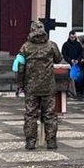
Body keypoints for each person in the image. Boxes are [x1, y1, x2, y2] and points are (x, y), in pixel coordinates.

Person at [17, 21, 62, 150]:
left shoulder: (25, 47)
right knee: (50, 115)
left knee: (30, 115)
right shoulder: (51, 46)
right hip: (48, 86)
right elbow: (58, 59)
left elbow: (20, 68)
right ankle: (51, 141)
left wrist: (20, 84)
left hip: (31, 87)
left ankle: (31, 142)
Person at [61, 30, 84, 99]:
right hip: (68, 64)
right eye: (72, 37)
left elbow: (81, 54)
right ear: (69, 36)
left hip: (77, 63)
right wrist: (70, 60)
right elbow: (64, 54)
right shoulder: (65, 45)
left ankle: (78, 92)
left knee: (79, 77)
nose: (73, 39)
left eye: (74, 37)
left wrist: (78, 60)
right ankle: (70, 92)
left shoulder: (78, 44)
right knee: (69, 78)